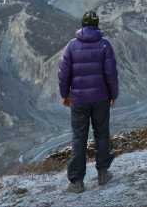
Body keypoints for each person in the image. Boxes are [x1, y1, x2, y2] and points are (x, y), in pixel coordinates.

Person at [58, 10, 119, 193]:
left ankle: (76, 182)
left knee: (79, 138)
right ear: (97, 24)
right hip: (101, 99)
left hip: (78, 100)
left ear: (82, 25)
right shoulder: (105, 45)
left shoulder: (71, 46)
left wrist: (65, 95)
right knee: (101, 134)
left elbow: (63, 74)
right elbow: (111, 74)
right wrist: (113, 95)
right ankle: (102, 174)